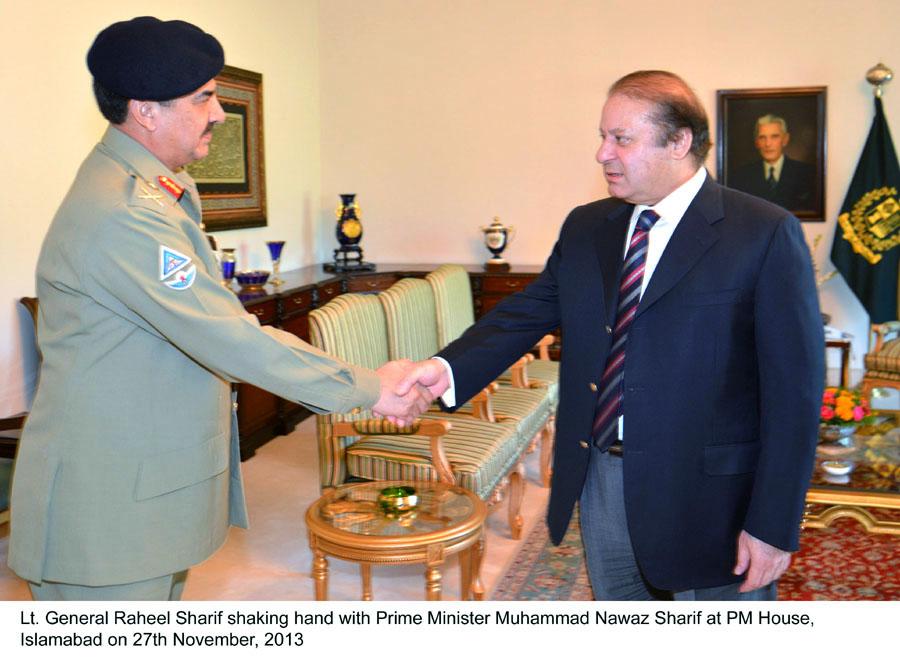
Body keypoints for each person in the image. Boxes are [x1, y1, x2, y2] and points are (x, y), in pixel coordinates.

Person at [8, 16, 431, 601]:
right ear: (146, 111)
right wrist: (369, 386)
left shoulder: (157, 190)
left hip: (141, 492)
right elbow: (228, 336)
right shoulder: (126, 212)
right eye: (204, 97)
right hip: (107, 512)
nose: (219, 113)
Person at [399, 71, 823, 600]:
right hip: (604, 481)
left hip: (710, 498)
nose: (602, 153)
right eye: (602, 136)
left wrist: (773, 523)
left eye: (621, 139)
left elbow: (795, 397)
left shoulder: (763, 232)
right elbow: (527, 312)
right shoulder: (587, 226)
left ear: (679, 142)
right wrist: (441, 370)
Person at [728, 114, 815, 211]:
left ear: (785, 139)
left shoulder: (806, 173)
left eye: (774, 137)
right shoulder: (741, 176)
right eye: (762, 137)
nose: (768, 144)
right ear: (757, 142)